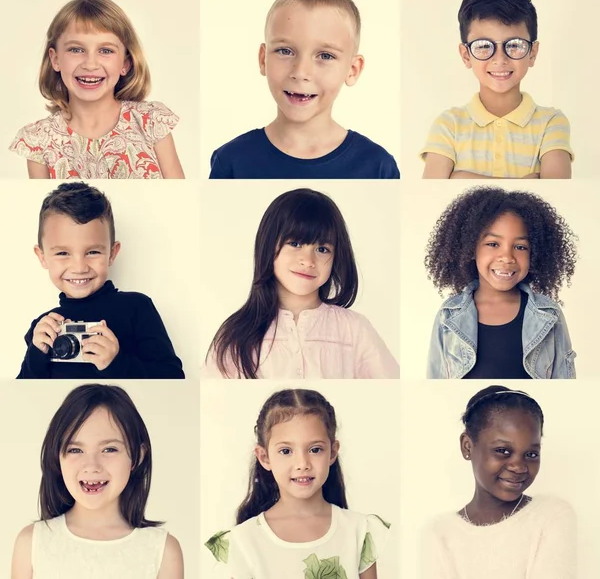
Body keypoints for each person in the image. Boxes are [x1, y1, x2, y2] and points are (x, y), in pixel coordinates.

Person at [209, 0, 399, 179]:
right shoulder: (231, 160)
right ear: (263, 59)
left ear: (352, 70)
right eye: (285, 51)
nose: (301, 72)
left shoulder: (378, 167)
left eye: (325, 56)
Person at [203, 188, 399, 378]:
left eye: (322, 249)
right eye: (295, 244)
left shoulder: (355, 329)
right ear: (269, 246)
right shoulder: (235, 334)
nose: (308, 260)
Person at [205, 388, 390, 578]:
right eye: (286, 451)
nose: (302, 464)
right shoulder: (243, 541)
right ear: (264, 457)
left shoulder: (359, 531)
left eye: (315, 449)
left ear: (333, 452)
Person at [10, 383, 183, 579]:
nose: (91, 465)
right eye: (75, 450)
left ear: (137, 456)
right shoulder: (31, 543)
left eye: (109, 449)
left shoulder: (163, 551)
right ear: (57, 457)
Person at [18, 182, 184, 378]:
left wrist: (116, 363)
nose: (79, 267)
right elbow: (27, 395)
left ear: (112, 254)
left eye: (93, 252)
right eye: (63, 253)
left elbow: (174, 377)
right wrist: (36, 355)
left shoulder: (137, 308)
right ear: (42, 256)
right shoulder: (43, 327)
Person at [9, 0, 184, 179]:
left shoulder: (151, 122)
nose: (90, 64)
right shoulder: (38, 139)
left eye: (105, 51)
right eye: (76, 50)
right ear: (55, 59)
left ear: (125, 63)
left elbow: (179, 195)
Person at [421, 385, 576, 579]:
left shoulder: (551, 516)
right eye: (503, 450)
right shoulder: (439, 534)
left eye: (531, 454)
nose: (518, 466)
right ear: (467, 446)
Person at [421, 0, 572, 179]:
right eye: (484, 45)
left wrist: (461, 177)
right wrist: (528, 181)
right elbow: (435, 190)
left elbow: (555, 190)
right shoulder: (448, 125)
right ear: (466, 55)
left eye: (514, 45)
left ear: (532, 53)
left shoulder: (551, 122)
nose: (500, 59)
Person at [425, 186, 577, 379]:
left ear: (535, 253)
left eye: (520, 247)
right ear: (471, 248)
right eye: (493, 244)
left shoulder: (549, 315)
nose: (507, 257)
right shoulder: (448, 315)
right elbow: (435, 380)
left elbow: (564, 380)